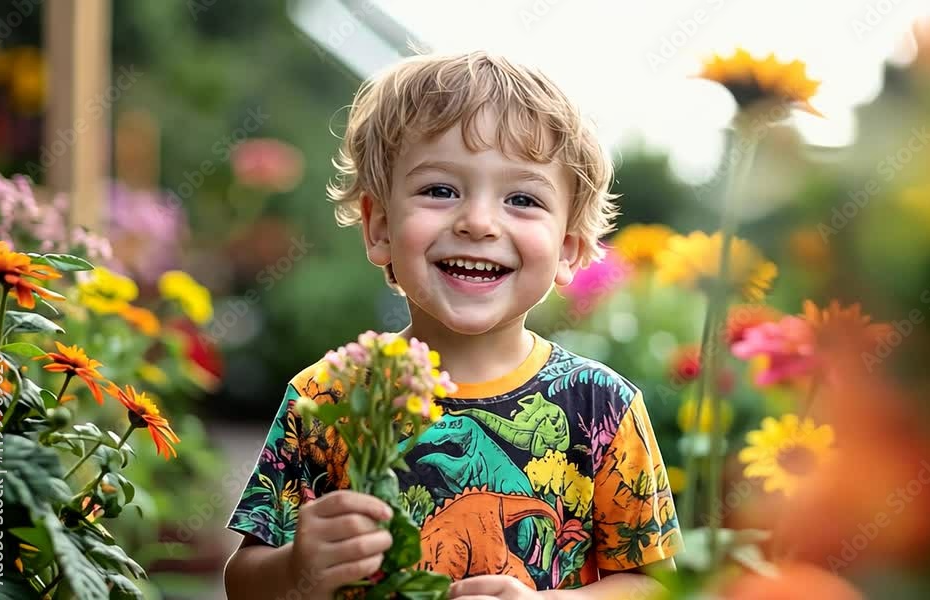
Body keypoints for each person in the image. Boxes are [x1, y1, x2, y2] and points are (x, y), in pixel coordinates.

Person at [223, 50, 682, 599]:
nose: (478, 222)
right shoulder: (328, 396)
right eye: (440, 190)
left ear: (568, 250)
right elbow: (243, 583)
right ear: (381, 227)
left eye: (522, 198)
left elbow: (655, 586)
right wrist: (299, 568)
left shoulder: (602, 407)